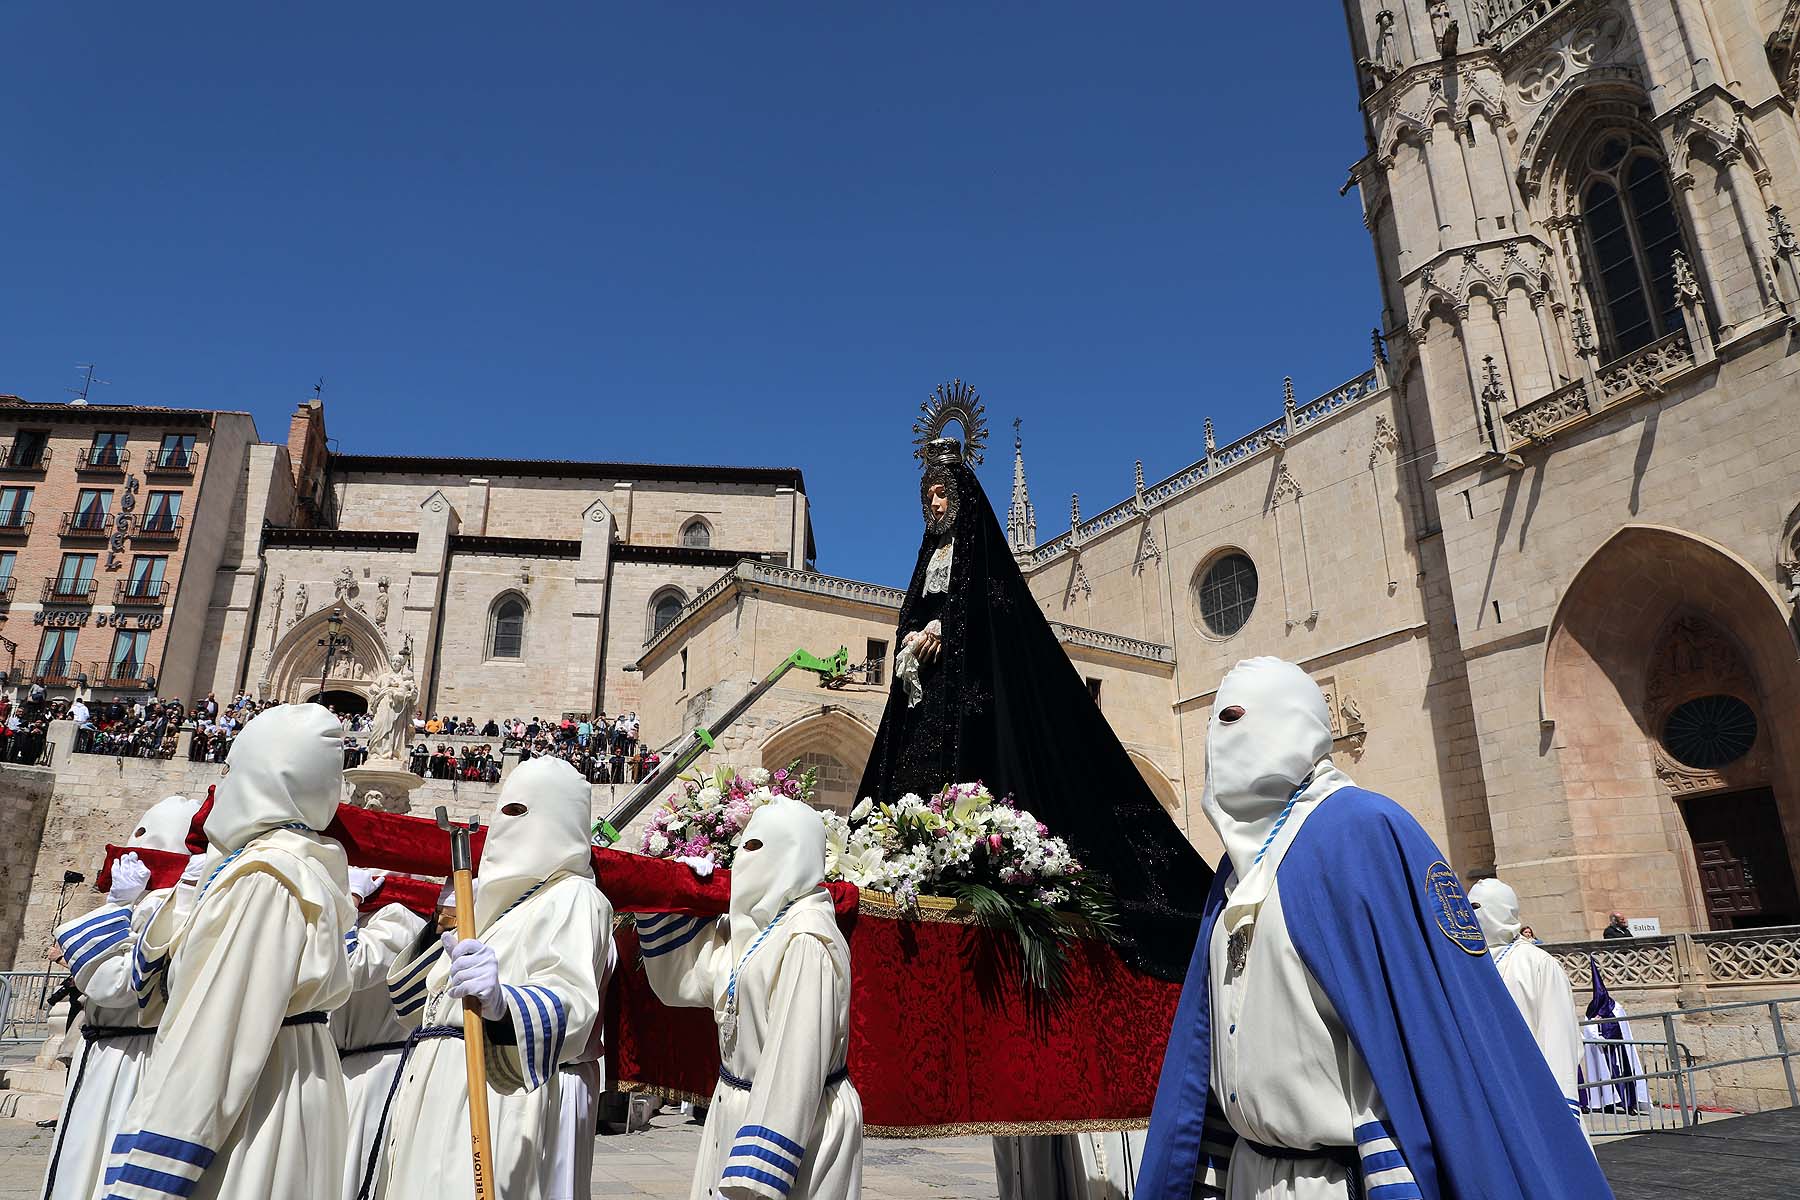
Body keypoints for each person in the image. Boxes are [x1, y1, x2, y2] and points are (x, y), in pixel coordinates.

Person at [1138, 657, 1611, 1199]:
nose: (1217, 742)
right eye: (1213, 723)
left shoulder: (1361, 832)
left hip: (1338, 1181)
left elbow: (1424, 1034)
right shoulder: (1234, 870)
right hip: (1248, 1173)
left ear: (1294, 722)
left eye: (1235, 717)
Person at [102, 704, 356, 1200]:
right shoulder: (281, 866)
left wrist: (146, 1182)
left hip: (256, 1095)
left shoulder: (266, 877)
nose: (221, 785)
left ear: (264, 777)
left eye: (233, 768)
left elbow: (216, 1033)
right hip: (282, 1076)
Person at [371, 758, 612, 1200]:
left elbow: (573, 1005)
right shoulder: (492, 902)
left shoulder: (574, 896)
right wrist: (439, 927)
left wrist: (504, 1004)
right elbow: (414, 1010)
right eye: (506, 808)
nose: (508, 823)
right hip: (435, 1087)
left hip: (502, 1094)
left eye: (522, 811)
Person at [634, 798, 862, 1199]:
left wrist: (759, 1172)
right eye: (742, 844)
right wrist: (672, 901)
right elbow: (690, 983)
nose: (741, 857)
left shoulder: (807, 937)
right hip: (737, 1105)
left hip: (789, 1123)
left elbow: (797, 1061)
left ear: (793, 853)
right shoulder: (759, 927)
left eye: (755, 846)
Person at [39, 795, 201, 1200]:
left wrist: (118, 905)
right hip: (130, 1049)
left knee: (93, 1159)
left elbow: (115, 984)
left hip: (123, 1054)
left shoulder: (157, 907)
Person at [334, 869, 428, 1200]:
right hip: (339, 1070)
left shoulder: (401, 916)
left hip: (377, 1074)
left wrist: (348, 901)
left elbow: (351, 967)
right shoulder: (351, 912)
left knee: (357, 1177)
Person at [1468, 877, 1587, 1139]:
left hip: (1530, 1097)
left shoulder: (1537, 963)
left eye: (1476, 906)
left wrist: (1560, 1108)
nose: (1470, 914)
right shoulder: (1467, 964)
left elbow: (1558, 1038)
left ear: (1501, 909)